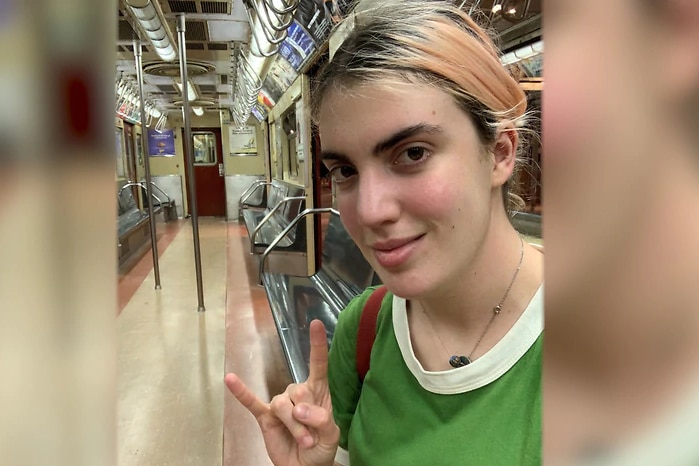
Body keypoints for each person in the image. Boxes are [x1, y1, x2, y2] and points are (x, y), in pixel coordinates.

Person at [225, 1, 544, 465]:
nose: (370, 211)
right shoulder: (366, 327)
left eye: (412, 153)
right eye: (345, 171)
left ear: (498, 153)